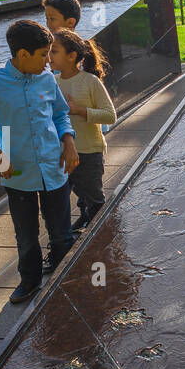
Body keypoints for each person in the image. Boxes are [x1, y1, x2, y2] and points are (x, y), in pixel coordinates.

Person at [0, 20, 79, 304]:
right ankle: (29, 281)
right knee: (26, 236)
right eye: (43, 54)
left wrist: (69, 142)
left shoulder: (47, 79)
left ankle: (66, 279)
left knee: (62, 232)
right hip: (17, 174)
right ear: (22, 54)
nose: (47, 61)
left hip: (55, 168)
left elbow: (60, 114)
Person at [49, 29, 116, 234]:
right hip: (64, 152)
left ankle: (103, 235)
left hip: (89, 151)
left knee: (94, 198)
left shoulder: (89, 81)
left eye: (54, 51)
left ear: (71, 56)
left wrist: (79, 110)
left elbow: (110, 115)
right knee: (76, 194)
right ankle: (86, 220)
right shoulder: (53, 82)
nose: (49, 56)